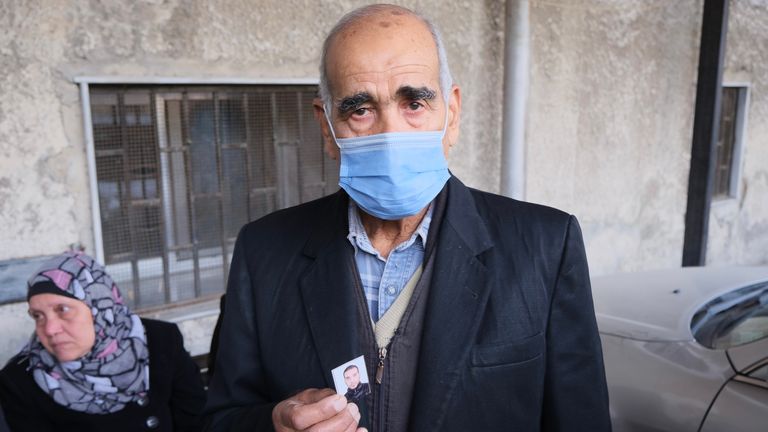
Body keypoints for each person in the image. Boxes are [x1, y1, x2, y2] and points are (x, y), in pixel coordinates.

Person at [204, 4, 611, 432]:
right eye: (360, 110)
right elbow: (220, 418)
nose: (391, 134)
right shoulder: (265, 250)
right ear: (327, 128)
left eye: (414, 103)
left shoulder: (545, 246)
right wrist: (274, 424)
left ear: (451, 115)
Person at [0, 251, 206, 431]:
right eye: (38, 316)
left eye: (62, 310)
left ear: (100, 307)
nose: (50, 329)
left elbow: (196, 421)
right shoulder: (20, 382)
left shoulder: (159, 340)